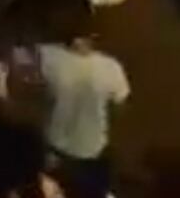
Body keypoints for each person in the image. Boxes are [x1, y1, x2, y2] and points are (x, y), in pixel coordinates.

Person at [32, 22, 129, 197]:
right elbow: (119, 109)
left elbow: (23, 92)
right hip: (92, 150)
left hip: (55, 149)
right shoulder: (111, 67)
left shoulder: (46, 56)